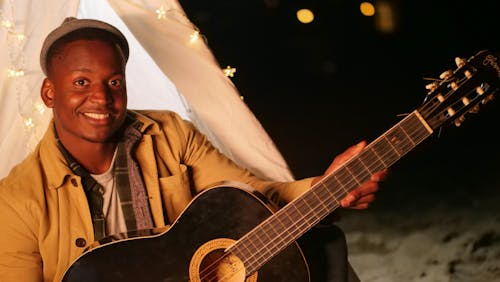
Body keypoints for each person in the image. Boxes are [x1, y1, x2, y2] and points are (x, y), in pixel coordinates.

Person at [0, 17, 387, 282]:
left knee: (324, 247)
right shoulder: (16, 201)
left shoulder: (168, 132)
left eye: (114, 82)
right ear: (50, 93)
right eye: (81, 82)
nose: (101, 98)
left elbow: (256, 196)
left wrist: (329, 184)